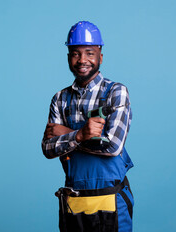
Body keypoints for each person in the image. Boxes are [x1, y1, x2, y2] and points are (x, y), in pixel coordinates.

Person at [42, 21, 134, 232]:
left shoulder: (115, 92)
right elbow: (47, 149)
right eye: (76, 53)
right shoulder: (60, 99)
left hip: (111, 200)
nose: (82, 60)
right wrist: (81, 135)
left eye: (89, 53)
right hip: (74, 201)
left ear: (100, 56)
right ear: (68, 57)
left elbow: (112, 147)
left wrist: (70, 135)